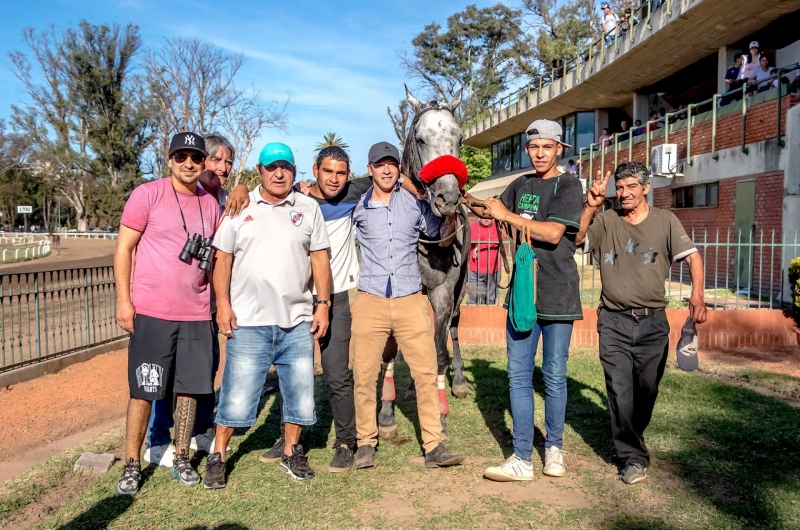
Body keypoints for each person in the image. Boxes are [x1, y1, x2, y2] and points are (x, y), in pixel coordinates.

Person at [224, 145, 422, 472]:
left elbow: (394, 176)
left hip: (336, 297)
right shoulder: (297, 197)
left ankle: (346, 441)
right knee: (293, 375)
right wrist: (241, 186)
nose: (334, 179)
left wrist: (423, 193)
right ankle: (289, 441)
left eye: (341, 173)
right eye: (327, 171)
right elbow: (258, 190)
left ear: (350, 174)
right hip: (297, 299)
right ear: (314, 170)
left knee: (335, 374)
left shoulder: (355, 191)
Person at [203, 142, 332, 488]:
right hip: (249, 321)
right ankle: (219, 454)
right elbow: (222, 259)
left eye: (286, 167)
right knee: (236, 394)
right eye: (272, 167)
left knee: (300, 394)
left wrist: (323, 304)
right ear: (259, 171)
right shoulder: (239, 206)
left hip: (297, 321)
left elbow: (319, 258)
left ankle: (292, 451)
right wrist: (223, 304)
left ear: (294, 170)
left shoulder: (308, 208)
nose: (279, 173)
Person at [576, 162, 707, 485]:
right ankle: (632, 457)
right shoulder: (607, 220)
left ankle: (631, 437)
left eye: (632, 186)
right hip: (614, 321)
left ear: (646, 188)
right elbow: (577, 239)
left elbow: (692, 256)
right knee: (619, 389)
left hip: (652, 323)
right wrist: (590, 207)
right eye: (619, 188)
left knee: (646, 388)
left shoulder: (665, 221)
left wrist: (698, 294)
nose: (624, 194)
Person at [114, 132, 221, 495]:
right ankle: (132, 463)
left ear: (203, 161)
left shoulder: (211, 204)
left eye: (195, 157)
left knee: (189, 390)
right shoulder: (148, 194)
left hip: (196, 313)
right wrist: (124, 302)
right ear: (169, 159)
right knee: (144, 390)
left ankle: (181, 457)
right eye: (181, 156)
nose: (188, 163)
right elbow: (124, 249)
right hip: (152, 312)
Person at [479, 120, 584, 481]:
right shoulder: (520, 184)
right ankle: (522, 457)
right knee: (518, 375)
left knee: (554, 376)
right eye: (534, 147)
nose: (540, 153)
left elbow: (554, 234)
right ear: (527, 149)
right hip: (523, 291)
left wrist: (506, 215)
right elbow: (490, 209)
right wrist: (458, 195)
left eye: (547, 147)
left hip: (557, 292)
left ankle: (554, 448)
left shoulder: (568, 184)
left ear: (559, 149)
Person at [350, 141, 465, 470]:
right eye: (379, 164)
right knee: (364, 376)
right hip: (370, 299)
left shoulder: (414, 205)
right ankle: (365, 443)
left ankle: (434, 446)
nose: (386, 169)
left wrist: (451, 212)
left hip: (410, 300)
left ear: (399, 168)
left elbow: (439, 237)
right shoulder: (358, 207)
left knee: (426, 374)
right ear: (370, 169)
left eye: (392, 164)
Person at [143, 133, 235, 468]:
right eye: (216, 159)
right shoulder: (169, 195)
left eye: (228, 162)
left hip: (207, 304)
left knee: (202, 371)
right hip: (169, 305)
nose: (222, 168)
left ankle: (198, 429)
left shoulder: (225, 199)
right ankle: (158, 437)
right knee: (164, 376)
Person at [468, 217, 502, 305]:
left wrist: (479, 247)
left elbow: (496, 239)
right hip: (474, 271)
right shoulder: (472, 227)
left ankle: (487, 318)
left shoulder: (498, 227)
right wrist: (487, 241)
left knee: (490, 301)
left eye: (489, 217)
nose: (486, 219)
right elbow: (473, 238)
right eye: (483, 217)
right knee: (472, 299)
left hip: (493, 271)